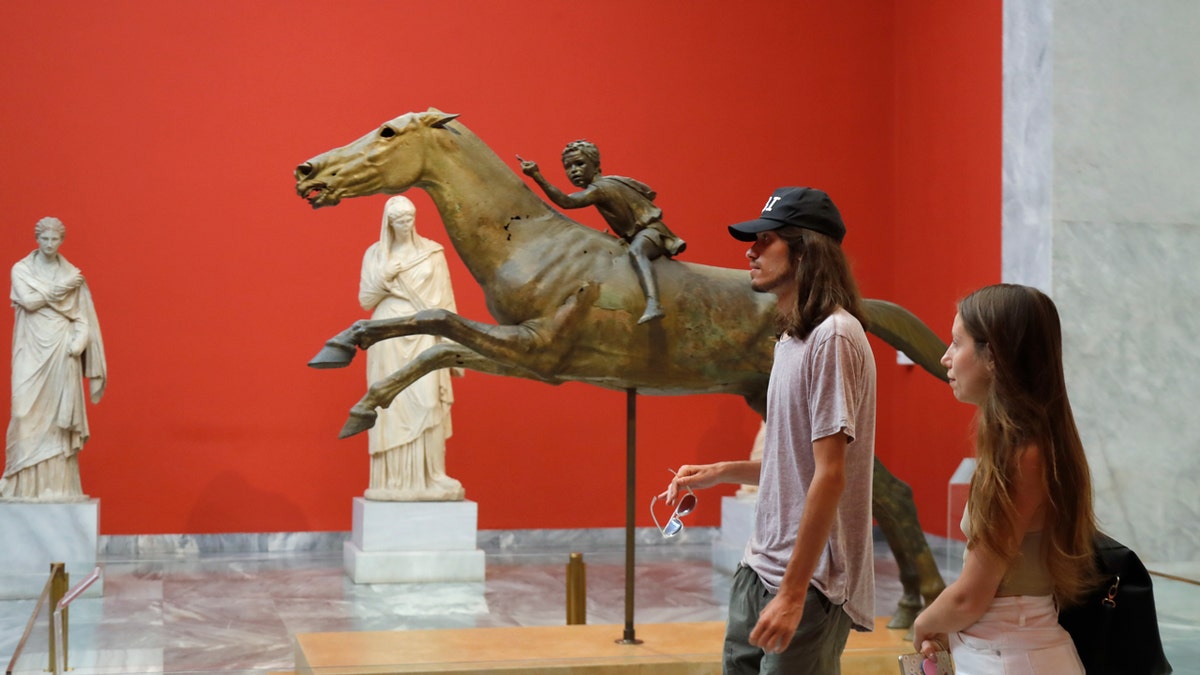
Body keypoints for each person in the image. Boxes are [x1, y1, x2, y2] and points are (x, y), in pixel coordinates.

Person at [662, 187, 876, 674]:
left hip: (808, 582)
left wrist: (793, 594)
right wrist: (722, 471)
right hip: (758, 567)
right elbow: (796, 461)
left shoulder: (835, 336)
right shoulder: (792, 338)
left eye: (767, 241)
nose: (750, 252)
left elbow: (830, 475)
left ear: (806, 251)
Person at [912, 283, 1097, 673]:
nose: (946, 357)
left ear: (992, 355)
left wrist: (925, 622)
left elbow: (971, 597)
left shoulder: (1022, 456)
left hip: (1009, 655)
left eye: (956, 343)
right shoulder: (1028, 446)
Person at [359, 196, 464, 501]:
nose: (406, 225)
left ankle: (432, 475)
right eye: (399, 220)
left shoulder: (432, 253)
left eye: (410, 218)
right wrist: (386, 275)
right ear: (388, 223)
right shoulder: (376, 254)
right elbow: (366, 299)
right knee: (391, 405)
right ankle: (393, 481)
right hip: (388, 333)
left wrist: (455, 343)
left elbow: (446, 299)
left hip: (423, 332)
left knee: (428, 401)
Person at [518, 140, 686, 324]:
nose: (574, 170)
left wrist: (537, 176)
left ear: (596, 165)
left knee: (636, 252)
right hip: (635, 235)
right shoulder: (604, 186)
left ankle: (654, 304)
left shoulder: (601, 188)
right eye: (568, 167)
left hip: (651, 232)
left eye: (580, 164)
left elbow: (567, 202)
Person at [2, 216, 106, 502]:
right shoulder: (22, 270)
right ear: (37, 239)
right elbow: (30, 301)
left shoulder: (71, 273)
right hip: (30, 348)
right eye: (44, 239)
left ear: (62, 240)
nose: (49, 244)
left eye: (55, 239)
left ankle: (57, 488)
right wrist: (63, 287)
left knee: (59, 426)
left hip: (61, 350)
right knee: (23, 413)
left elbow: (83, 319)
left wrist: (78, 342)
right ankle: (19, 481)